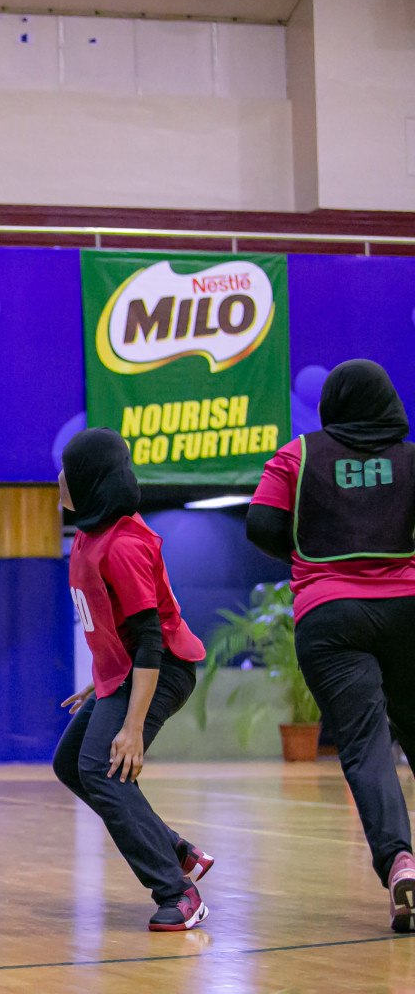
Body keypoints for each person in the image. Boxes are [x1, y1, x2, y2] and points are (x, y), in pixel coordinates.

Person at [246, 358, 415, 931]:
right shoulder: (413, 458)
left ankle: (399, 862)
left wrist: (312, 553)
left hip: (330, 615)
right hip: (410, 610)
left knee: (366, 745)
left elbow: (262, 524)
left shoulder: (296, 456)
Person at [53, 428, 213, 932]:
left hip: (160, 668)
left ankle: (178, 892)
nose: (59, 478)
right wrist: (98, 680)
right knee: (71, 764)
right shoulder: (90, 530)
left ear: (89, 479)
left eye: (69, 469)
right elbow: (110, 623)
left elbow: (150, 639)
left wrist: (134, 726)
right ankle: (175, 850)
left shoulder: (121, 545)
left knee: (101, 767)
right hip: (124, 671)